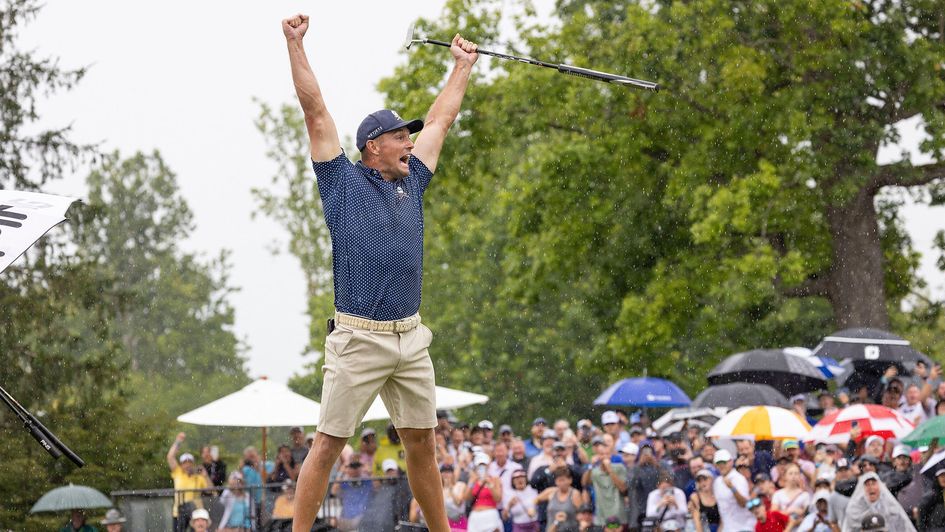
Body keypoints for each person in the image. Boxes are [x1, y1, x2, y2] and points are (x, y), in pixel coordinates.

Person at [282, 12, 480, 532]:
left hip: (410, 337)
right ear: (373, 146)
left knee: (422, 440)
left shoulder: (411, 181)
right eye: (400, 137)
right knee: (327, 443)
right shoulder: (341, 181)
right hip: (357, 338)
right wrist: (295, 43)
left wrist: (461, 66)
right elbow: (314, 109)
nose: (411, 142)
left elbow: (439, 121)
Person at [840, 472, 916, 532]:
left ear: (880, 486)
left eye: (873, 483)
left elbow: (903, 526)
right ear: (862, 489)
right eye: (867, 484)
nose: (871, 487)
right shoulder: (854, 508)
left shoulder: (890, 504)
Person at [166, 432, 211, 532]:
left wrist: (205, 475)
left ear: (193, 464)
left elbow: (210, 491)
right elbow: (170, 457)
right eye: (185, 463)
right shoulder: (178, 472)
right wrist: (178, 441)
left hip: (194, 513)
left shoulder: (198, 478)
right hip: (179, 512)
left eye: (189, 462)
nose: (187, 465)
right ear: (181, 464)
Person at [584, 434, 628, 528]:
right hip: (601, 519)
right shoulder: (595, 471)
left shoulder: (619, 467)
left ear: (610, 455)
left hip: (619, 516)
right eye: (601, 455)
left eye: (606, 454)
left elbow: (623, 489)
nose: (604, 457)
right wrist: (591, 466)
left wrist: (610, 471)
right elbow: (585, 482)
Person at [712, 449, 756, 531]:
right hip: (727, 528)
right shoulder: (717, 482)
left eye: (724, 462)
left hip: (745, 528)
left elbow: (744, 504)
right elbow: (723, 510)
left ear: (731, 462)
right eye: (718, 463)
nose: (721, 465)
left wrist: (732, 488)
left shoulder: (739, 478)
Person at [331, 459, 373, 531]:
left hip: (362, 519)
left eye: (357, 465)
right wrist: (341, 471)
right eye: (352, 466)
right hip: (346, 520)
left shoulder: (367, 481)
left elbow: (378, 486)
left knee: (361, 521)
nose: (355, 469)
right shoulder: (344, 482)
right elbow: (333, 491)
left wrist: (369, 471)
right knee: (332, 523)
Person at [465, 453, 504, 532]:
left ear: (488, 466)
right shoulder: (473, 480)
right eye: (479, 466)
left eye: (484, 465)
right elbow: (466, 498)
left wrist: (490, 484)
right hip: (475, 517)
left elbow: (498, 499)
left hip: (490, 515)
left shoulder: (495, 479)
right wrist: (471, 482)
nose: (482, 468)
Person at [917, 467, 945, 531]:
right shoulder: (932, 495)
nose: (944, 478)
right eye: (941, 475)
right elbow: (922, 512)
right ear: (937, 478)